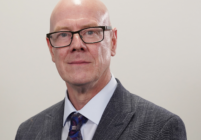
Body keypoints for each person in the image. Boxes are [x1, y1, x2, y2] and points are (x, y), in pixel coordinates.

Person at [15, 0, 187, 139]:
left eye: (90, 32)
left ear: (113, 42)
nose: (77, 45)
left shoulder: (161, 129)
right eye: (64, 34)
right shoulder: (28, 132)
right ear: (51, 49)